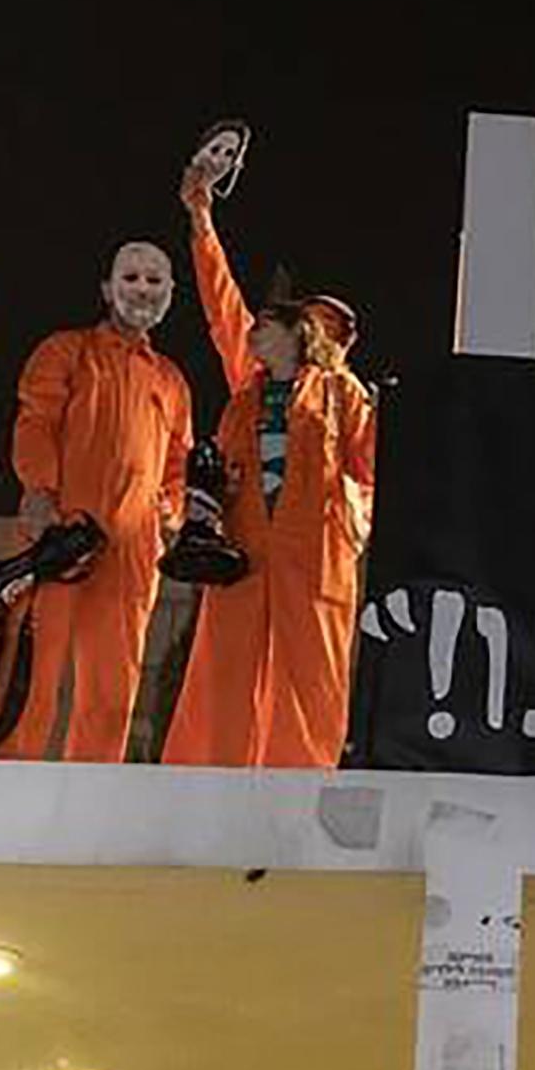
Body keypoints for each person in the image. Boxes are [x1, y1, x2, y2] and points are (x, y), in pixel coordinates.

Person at [162, 165, 376, 768]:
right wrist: (201, 222)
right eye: (317, 317)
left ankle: (303, 796)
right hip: (248, 547)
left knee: (312, 684)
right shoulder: (248, 385)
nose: (327, 332)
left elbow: (375, 470)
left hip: (316, 555)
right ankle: (212, 791)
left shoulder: (343, 395)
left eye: (337, 328)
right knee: (225, 677)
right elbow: (222, 306)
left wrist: (354, 522)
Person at [0, 241, 193, 761]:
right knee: (33, 672)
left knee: (111, 691)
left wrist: (172, 510)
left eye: (154, 281)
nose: (142, 289)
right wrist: (40, 491)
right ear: (107, 289)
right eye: (130, 278)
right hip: (61, 533)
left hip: (132, 551)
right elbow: (37, 421)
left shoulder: (172, 381)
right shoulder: (64, 351)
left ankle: (94, 791)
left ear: (170, 294)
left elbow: (178, 461)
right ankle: (7, 781)